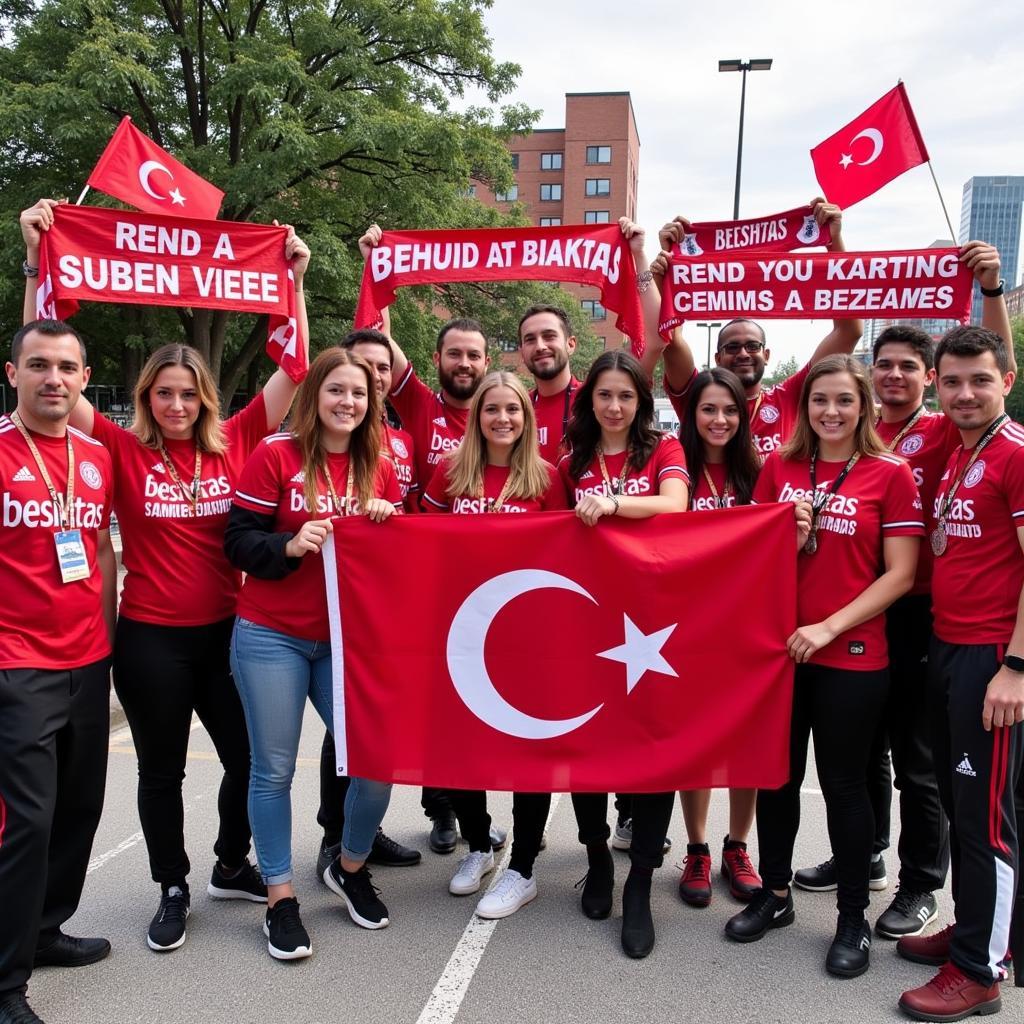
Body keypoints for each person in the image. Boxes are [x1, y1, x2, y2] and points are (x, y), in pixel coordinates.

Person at [794, 243, 1017, 944]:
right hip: (858, 610)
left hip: (925, 614)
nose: (893, 375)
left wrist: (990, 291)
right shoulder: (856, 432)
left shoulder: (950, 429)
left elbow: (993, 369)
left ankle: (923, 884)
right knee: (861, 755)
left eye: (907, 368)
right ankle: (868, 856)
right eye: (881, 365)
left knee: (919, 758)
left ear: (929, 379)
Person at [726, 355, 923, 979]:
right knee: (777, 780)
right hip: (780, 654)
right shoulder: (779, 468)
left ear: (863, 406)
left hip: (853, 653)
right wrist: (784, 537)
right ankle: (776, 894)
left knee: (844, 784)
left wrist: (831, 626)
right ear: (803, 407)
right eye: (819, 401)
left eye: (843, 400)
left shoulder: (891, 474)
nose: (830, 412)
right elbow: (751, 556)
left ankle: (851, 918)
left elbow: (902, 574)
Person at [225, 348, 400, 960]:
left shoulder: (378, 465)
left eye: (358, 393)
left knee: (376, 759)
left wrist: (388, 518)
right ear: (314, 396)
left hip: (345, 640)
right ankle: (279, 897)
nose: (347, 402)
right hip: (271, 634)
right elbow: (238, 542)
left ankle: (348, 865)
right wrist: (290, 544)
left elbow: (394, 561)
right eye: (336, 391)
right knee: (273, 770)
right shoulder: (276, 454)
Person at [897, 325, 1024, 1021]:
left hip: (992, 660)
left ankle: (980, 969)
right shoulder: (959, 454)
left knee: (986, 823)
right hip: (948, 647)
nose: (965, 392)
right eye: (952, 381)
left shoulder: (1014, 454)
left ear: (1006, 379)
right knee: (958, 803)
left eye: (980, 379)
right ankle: (970, 930)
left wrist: (1017, 666)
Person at [0, 320, 116, 1024]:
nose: (53, 378)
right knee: (26, 824)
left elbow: (100, 551)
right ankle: (6, 984)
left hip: (87, 659)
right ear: (12, 374)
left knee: (78, 807)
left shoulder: (95, 456)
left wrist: (103, 635)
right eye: (37, 365)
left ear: (82, 378)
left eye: (66, 367)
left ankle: (46, 931)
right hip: (17, 664)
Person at [557, 349, 689, 958]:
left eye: (626, 396)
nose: (614, 406)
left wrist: (613, 506)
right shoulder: (571, 460)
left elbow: (674, 508)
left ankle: (639, 881)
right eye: (604, 395)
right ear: (590, 401)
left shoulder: (663, 451)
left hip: (652, 624)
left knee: (653, 753)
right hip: (586, 623)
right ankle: (596, 860)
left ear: (640, 403)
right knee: (586, 748)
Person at [422, 371, 567, 915]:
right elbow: (420, 544)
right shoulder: (450, 472)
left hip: (528, 636)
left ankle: (523, 866)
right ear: (476, 417)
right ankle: (480, 844)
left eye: (512, 410)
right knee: (464, 746)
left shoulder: (548, 478)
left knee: (529, 749)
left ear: (526, 419)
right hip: (461, 632)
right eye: (491, 409)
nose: (502, 419)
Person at [313, 329, 421, 882]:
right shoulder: (304, 447)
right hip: (309, 622)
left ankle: (365, 835)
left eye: (381, 370)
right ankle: (334, 839)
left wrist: (388, 517)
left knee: (371, 736)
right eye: (360, 372)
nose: (373, 378)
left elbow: (403, 531)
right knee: (344, 738)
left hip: (372, 616)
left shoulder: (395, 445)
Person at [649, 198, 861, 458]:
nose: (743, 353)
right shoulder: (697, 396)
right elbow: (670, 339)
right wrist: (667, 277)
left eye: (753, 346)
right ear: (717, 358)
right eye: (732, 347)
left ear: (767, 354)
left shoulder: (789, 397)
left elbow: (849, 332)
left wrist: (833, 241)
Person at [675, 367, 763, 908]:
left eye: (730, 410)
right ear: (692, 415)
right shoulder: (673, 469)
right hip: (684, 629)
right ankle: (698, 848)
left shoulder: (760, 473)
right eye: (709, 409)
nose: (720, 419)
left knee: (745, 743)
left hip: (747, 628)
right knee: (697, 743)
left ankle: (737, 846)